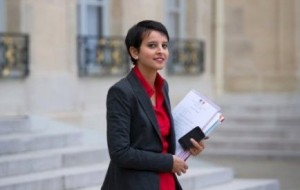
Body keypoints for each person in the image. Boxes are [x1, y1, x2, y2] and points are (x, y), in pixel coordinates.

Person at [101, 20, 205, 190]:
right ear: (134, 52)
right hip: (133, 184)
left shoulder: (163, 87)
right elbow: (120, 152)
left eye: (164, 45)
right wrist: (167, 161)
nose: (161, 51)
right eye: (152, 45)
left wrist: (188, 146)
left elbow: (159, 138)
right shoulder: (121, 92)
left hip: (166, 182)